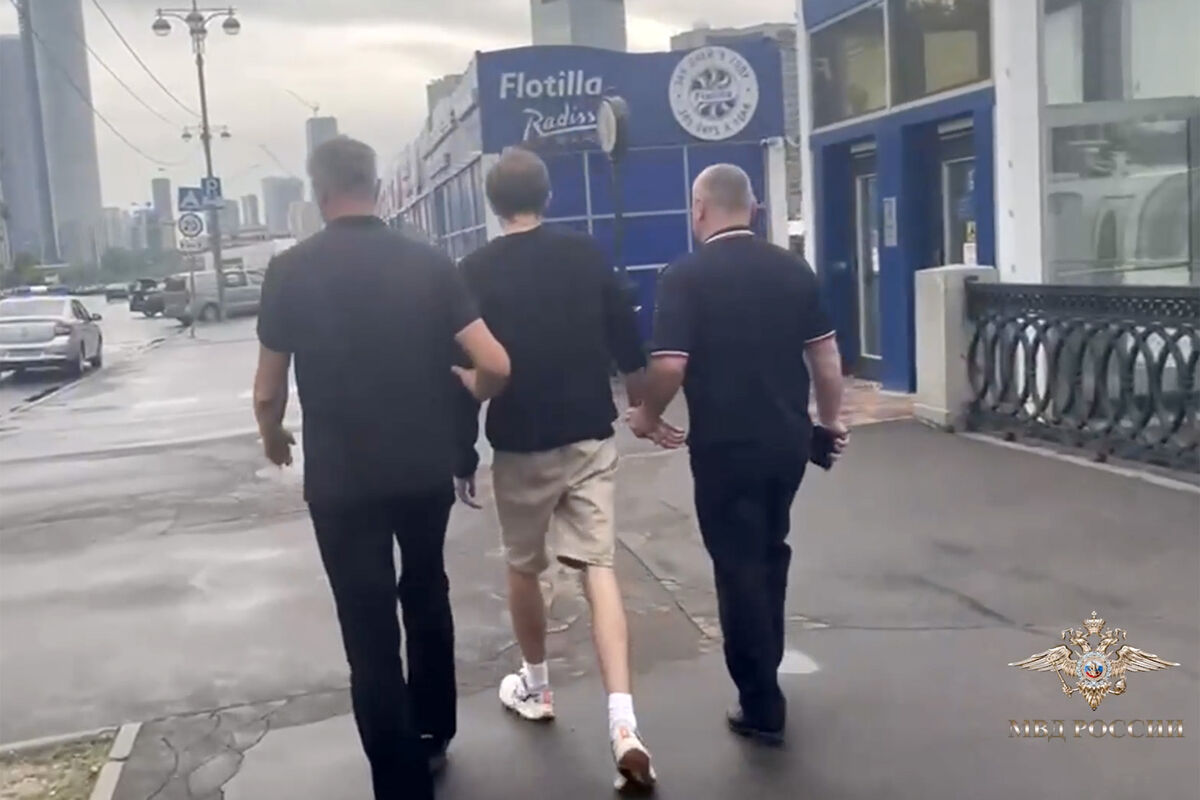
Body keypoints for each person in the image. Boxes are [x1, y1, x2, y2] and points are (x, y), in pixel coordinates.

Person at [252, 135, 510, 800]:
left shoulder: (289, 271)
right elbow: (495, 363)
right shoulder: (429, 263)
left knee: (367, 630)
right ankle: (434, 730)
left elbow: (267, 390)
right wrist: (470, 386)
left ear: (319, 192)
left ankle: (399, 782)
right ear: (377, 187)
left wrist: (274, 437)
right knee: (425, 591)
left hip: (342, 483)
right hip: (422, 469)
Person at [454, 147, 675, 792]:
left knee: (525, 566)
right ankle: (624, 723)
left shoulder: (474, 271)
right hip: (587, 435)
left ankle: (537, 685)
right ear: (547, 197)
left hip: (520, 441)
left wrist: (462, 452)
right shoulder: (584, 254)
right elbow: (627, 345)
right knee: (598, 566)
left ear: (493, 205)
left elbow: (466, 369)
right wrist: (645, 411)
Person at [627, 164, 846, 746]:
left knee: (738, 565)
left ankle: (760, 701)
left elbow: (670, 365)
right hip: (787, 444)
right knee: (771, 550)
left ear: (699, 209)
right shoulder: (793, 269)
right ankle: (766, 668)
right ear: (752, 208)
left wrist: (647, 415)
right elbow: (826, 359)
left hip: (726, 448)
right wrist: (830, 422)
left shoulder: (685, 277)